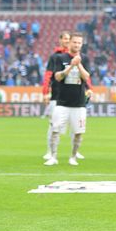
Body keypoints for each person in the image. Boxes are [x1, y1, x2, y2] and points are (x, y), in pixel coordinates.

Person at [44, 33, 91, 166]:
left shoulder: (85, 59)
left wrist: (79, 64)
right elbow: (58, 77)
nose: (76, 45)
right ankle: (53, 156)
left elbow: (86, 77)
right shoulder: (60, 58)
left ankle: (73, 157)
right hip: (62, 102)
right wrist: (70, 66)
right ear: (69, 43)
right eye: (74, 42)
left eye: (79, 43)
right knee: (55, 130)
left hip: (79, 103)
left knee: (78, 133)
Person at [41, 31, 73, 160]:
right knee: (53, 124)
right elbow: (48, 75)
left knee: (74, 124)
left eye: (68, 39)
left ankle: (75, 152)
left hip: (72, 93)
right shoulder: (54, 57)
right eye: (65, 38)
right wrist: (45, 92)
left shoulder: (75, 56)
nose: (66, 41)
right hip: (57, 94)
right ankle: (50, 151)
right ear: (60, 40)